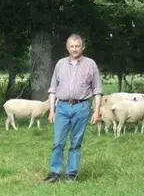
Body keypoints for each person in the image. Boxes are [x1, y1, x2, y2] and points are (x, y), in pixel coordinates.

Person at [41, 34, 103, 183]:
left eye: (77, 46)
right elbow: (53, 89)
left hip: (81, 107)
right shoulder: (60, 64)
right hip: (61, 107)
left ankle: (71, 175)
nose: (74, 49)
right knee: (58, 142)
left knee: (76, 143)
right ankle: (54, 173)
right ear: (67, 47)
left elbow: (97, 90)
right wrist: (52, 110)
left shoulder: (90, 64)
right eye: (72, 46)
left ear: (82, 47)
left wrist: (96, 111)